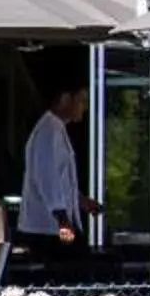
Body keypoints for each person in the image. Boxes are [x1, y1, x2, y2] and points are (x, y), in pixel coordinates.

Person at [17, 85, 98, 249]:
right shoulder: (49, 131)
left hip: (56, 226)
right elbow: (48, 179)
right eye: (82, 100)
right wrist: (63, 220)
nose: (85, 107)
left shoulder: (56, 129)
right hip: (48, 229)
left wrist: (81, 200)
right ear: (65, 99)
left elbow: (59, 178)